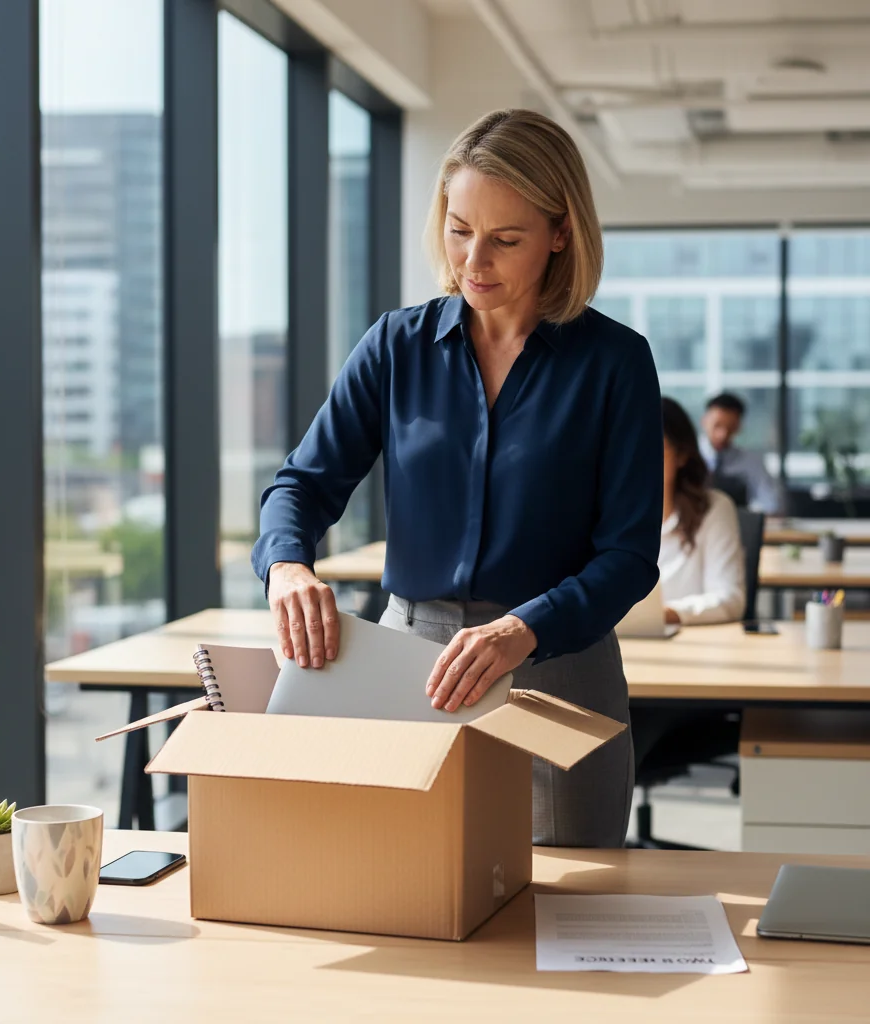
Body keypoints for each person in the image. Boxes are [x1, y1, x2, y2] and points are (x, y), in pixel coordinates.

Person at [251, 109, 663, 848]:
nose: (475, 259)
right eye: (459, 227)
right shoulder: (395, 346)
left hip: (556, 664)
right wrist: (285, 566)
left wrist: (522, 629)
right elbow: (301, 485)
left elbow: (629, 556)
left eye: (506, 239)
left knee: (563, 912)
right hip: (406, 661)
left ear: (560, 234)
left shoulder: (615, 363)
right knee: (397, 887)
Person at [661, 396, 745, 626]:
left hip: (694, 650)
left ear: (681, 455)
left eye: (655, 449)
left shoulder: (714, 509)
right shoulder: (605, 514)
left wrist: (665, 615)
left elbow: (729, 598)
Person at [700, 392, 782, 514]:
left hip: (738, 528)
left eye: (730, 427)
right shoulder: (685, 457)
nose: (722, 434)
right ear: (704, 421)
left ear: (739, 427)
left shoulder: (752, 462)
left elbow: (771, 504)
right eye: (717, 425)